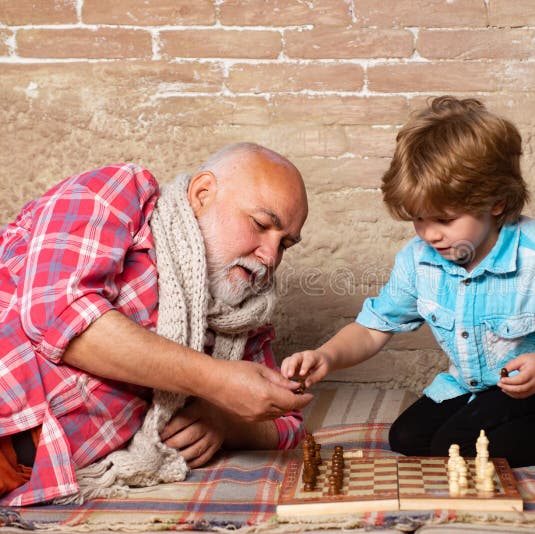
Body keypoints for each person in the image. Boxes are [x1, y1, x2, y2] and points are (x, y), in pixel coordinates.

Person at [281, 97, 535, 467]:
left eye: (444, 219)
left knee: (457, 445)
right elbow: (372, 329)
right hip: (477, 384)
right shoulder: (419, 260)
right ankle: (487, 416)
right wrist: (325, 356)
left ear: (494, 202)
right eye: (418, 219)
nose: (430, 235)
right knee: (407, 439)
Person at [0, 142, 313, 506]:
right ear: (202, 194)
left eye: (285, 244)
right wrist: (215, 379)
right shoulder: (121, 193)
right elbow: (58, 314)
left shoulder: (242, 318)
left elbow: (288, 422)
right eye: (261, 225)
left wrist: (226, 422)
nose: (271, 256)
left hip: (34, 473)